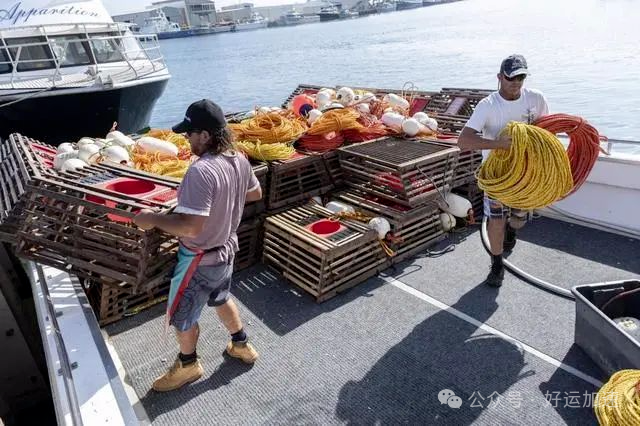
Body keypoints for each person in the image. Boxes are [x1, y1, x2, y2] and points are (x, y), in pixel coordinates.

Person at [133, 99, 263, 392]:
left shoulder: (201, 171)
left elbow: (190, 226)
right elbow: (255, 193)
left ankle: (188, 365)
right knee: (220, 297)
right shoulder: (239, 159)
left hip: (199, 260)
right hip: (226, 251)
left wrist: (151, 218)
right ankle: (241, 345)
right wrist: (224, 201)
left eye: (190, 134)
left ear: (205, 135)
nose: (186, 139)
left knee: (182, 317)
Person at [458, 54, 549, 287]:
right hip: (497, 176)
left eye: (521, 77)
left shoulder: (536, 99)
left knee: (519, 219)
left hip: (525, 173)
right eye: (511, 77)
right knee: (496, 221)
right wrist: (500, 144)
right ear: (500, 77)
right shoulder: (488, 106)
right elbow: (464, 140)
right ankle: (497, 266)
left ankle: (513, 228)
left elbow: (548, 131)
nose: (516, 82)